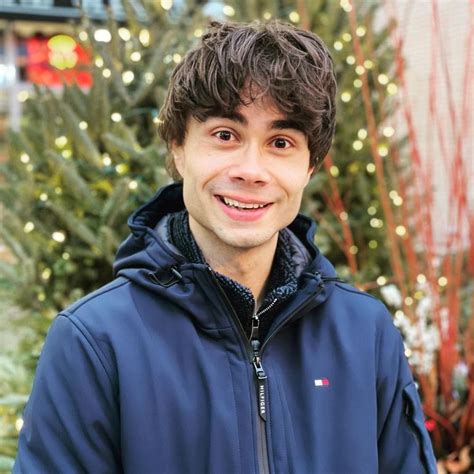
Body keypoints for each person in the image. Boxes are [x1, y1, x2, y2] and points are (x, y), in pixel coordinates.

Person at [14, 20, 437, 473]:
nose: (251, 170)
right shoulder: (95, 342)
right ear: (178, 147)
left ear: (309, 167)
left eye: (280, 142)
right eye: (225, 135)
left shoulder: (365, 333)